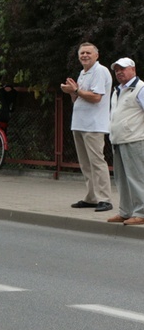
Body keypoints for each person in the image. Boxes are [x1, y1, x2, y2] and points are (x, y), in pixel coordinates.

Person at [60, 43, 113, 212]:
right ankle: (91, 197)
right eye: (82, 53)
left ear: (96, 55)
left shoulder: (100, 71)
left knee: (97, 162)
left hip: (94, 125)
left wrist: (76, 89)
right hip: (80, 123)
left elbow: (96, 97)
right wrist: (71, 92)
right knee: (85, 164)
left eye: (88, 53)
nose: (84, 55)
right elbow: (78, 100)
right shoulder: (83, 73)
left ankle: (105, 198)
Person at [106, 58, 144, 226]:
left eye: (123, 69)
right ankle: (125, 211)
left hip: (135, 139)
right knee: (121, 179)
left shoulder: (141, 88)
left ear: (133, 70)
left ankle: (141, 212)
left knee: (137, 178)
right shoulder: (117, 90)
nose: (119, 72)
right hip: (118, 140)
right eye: (117, 70)